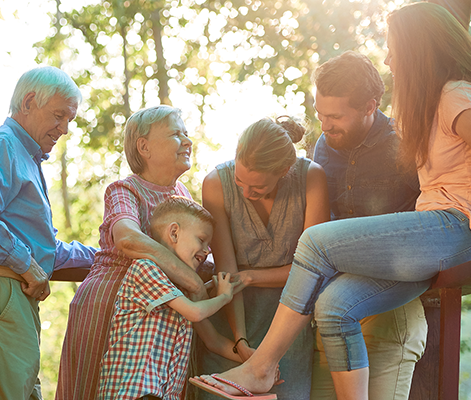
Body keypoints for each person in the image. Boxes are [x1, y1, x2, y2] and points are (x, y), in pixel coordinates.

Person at [192, 2, 471, 399]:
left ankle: (261, 366)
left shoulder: (459, 95)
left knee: (315, 242)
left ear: (420, 48)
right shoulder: (434, 102)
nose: (387, 57)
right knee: (333, 307)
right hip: (432, 236)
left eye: (393, 47)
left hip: (457, 227)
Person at [0, 66, 99, 400]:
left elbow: (47, 250)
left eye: (69, 120)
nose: (64, 129)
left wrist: (110, 257)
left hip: (8, 297)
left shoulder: (26, 159)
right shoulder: (3, 145)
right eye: (59, 116)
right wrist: (24, 262)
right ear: (29, 101)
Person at [57, 105, 213, 400]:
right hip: (111, 306)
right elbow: (128, 239)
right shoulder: (124, 189)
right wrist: (191, 282)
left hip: (166, 317)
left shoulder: (183, 195)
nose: (188, 141)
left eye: (186, 134)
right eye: (176, 134)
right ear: (144, 147)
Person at [310, 51, 426, 399]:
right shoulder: (324, 146)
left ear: (370, 106)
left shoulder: (406, 145)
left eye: (334, 116)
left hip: (389, 312)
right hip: (332, 313)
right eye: (319, 114)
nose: (324, 125)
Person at [197, 116, 329, 400]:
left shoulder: (311, 178)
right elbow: (227, 270)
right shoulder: (215, 184)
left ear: (284, 171)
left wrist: (252, 276)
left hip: (288, 319)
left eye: (257, 188)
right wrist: (240, 341)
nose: (246, 193)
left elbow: (314, 269)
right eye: (240, 181)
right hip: (233, 315)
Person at [97, 196, 241, 400]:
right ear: (174, 232)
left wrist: (257, 360)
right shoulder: (146, 269)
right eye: (201, 240)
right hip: (134, 391)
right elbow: (195, 311)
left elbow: (214, 342)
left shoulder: (181, 289)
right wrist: (225, 296)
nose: (207, 250)